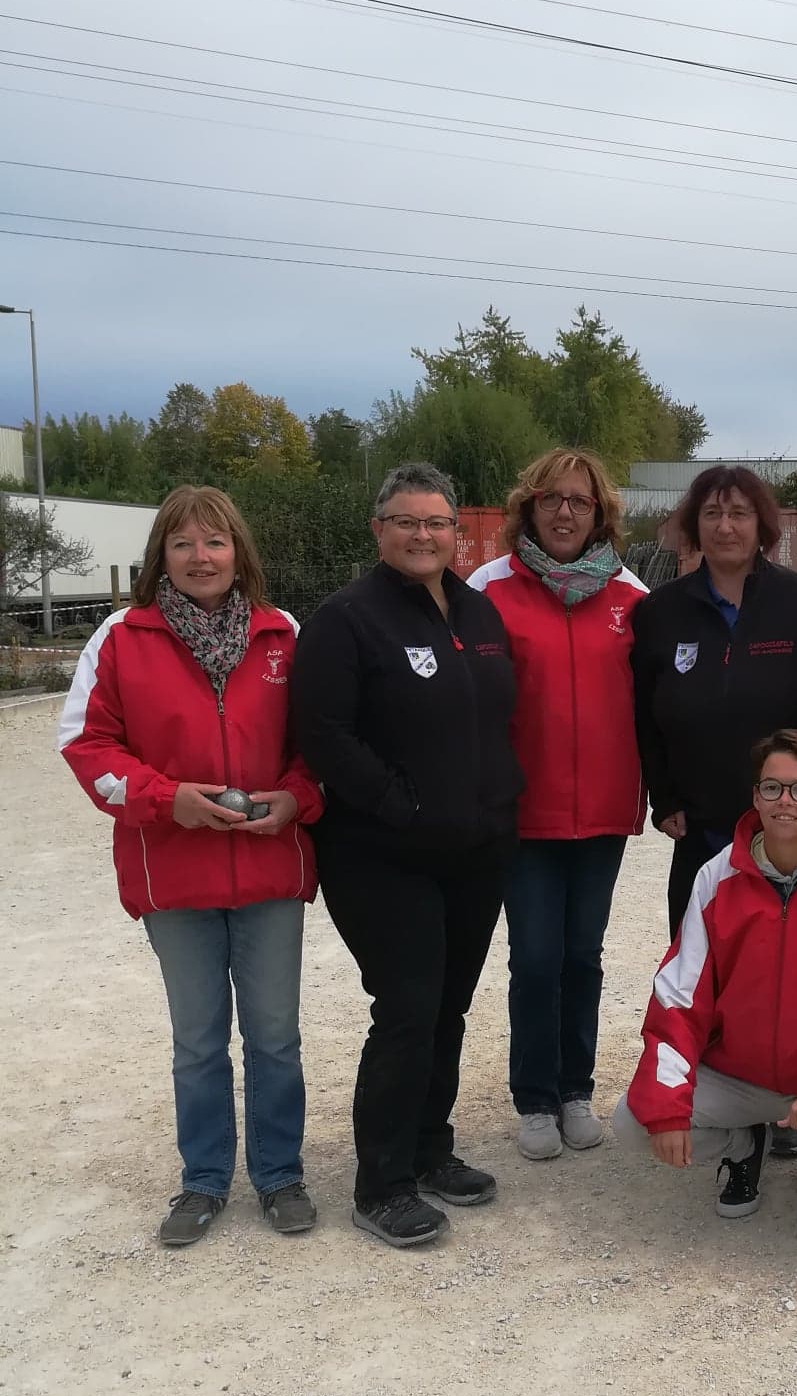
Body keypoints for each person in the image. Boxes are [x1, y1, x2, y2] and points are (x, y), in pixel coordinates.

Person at [58, 485, 322, 1247]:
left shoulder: (284, 636)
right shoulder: (121, 636)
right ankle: (204, 1180)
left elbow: (319, 743)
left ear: (239, 552)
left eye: (214, 542)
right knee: (199, 1040)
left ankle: (280, 1175)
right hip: (173, 876)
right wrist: (163, 798)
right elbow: (86, 745)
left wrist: (296, 798)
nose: (200, 557)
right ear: (160, 558)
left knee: (274, 1034)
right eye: (183, 544)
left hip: (269, 872)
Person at [292, 462, 523, 1250]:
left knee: (448, 1009)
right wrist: (401, 802)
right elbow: (322, 734)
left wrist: (500, 808)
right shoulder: (347, 619)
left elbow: (495, 722)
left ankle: (429, 1150)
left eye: (437, 523)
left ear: (458, 533)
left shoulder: (479, 613)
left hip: (475, 850)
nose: (423, 536)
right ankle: (381, 1183)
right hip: (383, 855)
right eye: (406, 521)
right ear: (378, 529)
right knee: (407, 1008)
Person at [630, 464, 797, 1160]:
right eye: (711, 513)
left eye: (740, 513)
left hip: (788, 835)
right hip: (706, 833)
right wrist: (665, 798)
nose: (725, 526)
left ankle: (791, 1108)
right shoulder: (659, 614)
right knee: (707, 976)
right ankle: (733, 1123)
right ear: (693, 527)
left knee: (794, 976)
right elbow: (643, 720)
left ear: (763, 525)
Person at [612, 729, 797, 1232]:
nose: (786, 802)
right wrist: (668, 1109)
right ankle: (743, 1144)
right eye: (772, 788)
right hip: (735, 1075)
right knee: (635, 1121)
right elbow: (677, 997)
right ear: (755, 796)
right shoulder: (716, 878)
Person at [468, 448, 649, 1162]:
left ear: (599, 513)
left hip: (602, 810)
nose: (565, 511)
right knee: (535, 958)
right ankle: (535, 1097)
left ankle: (577, 1089)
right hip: (524, 813)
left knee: (584, 955)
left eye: (580, 500)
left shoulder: (632, 598)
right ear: (529, 508)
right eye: (552, 499)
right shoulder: (488, 589)